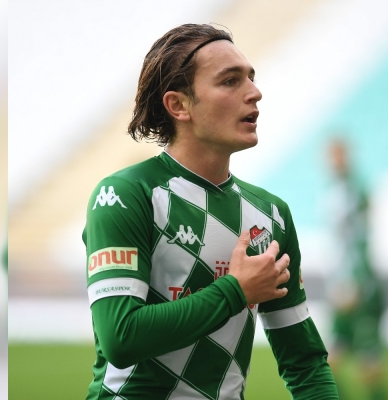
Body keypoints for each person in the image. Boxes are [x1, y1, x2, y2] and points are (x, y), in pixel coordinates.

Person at [82, 24, 338, 400]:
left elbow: (306, 364)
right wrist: (235, 290)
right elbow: (121, 337)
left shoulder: (272, 215)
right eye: (230, 81)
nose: (255, 92)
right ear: (178, 105)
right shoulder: (125, 194)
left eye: (251, 78)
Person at [322, 138, 386, 400]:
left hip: (357, 284)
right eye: (331, 155)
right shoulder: (333, 189)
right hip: (342, 280)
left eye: (338, 154)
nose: (333, 160)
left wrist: (355, 281)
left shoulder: (352, 190)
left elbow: (359, 239)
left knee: (367, 361)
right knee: (331, 358)